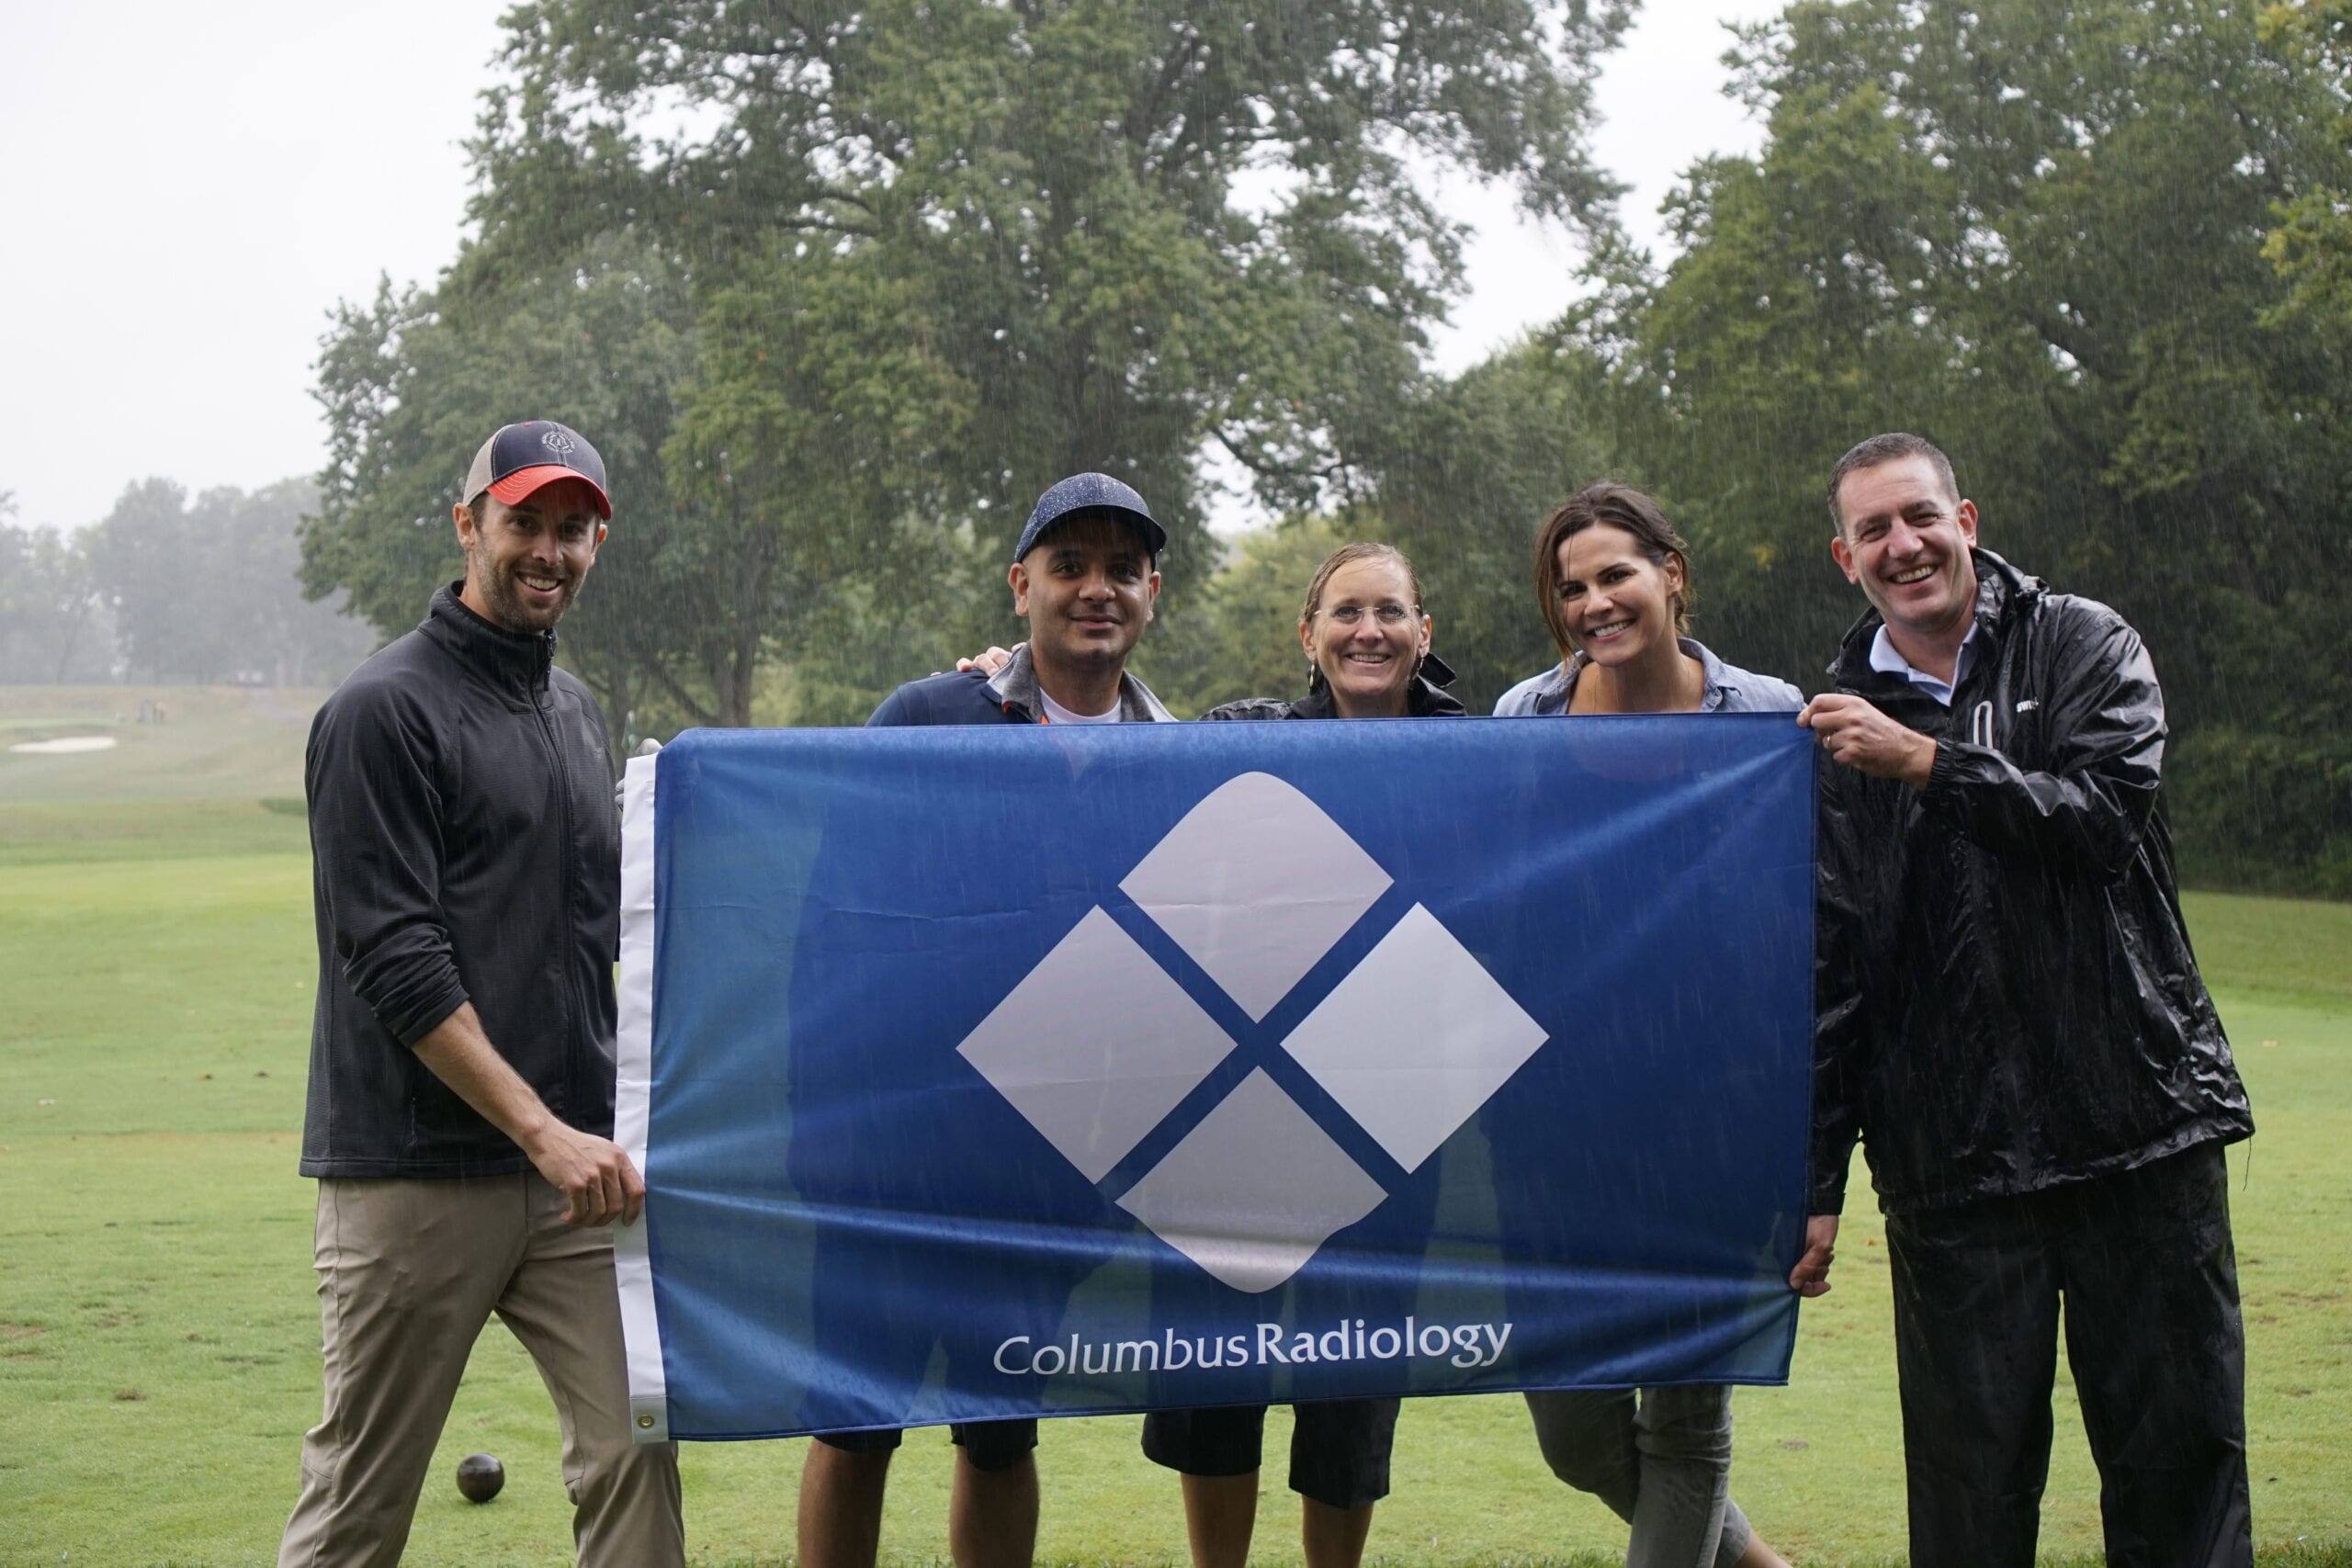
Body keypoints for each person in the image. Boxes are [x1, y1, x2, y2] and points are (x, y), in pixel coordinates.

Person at [1790, 433, 2255, 1567]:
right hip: (1953, 1170)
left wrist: (1929, 765)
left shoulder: (2084, 641)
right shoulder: (1832, 725)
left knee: (2177, 1481)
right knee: (1968, 1504)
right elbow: (1836, 973)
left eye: (1919, 517)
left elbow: (2100, 822)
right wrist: (1813, 1181)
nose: (1903, 546)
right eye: (1874, 531)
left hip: (2137, 1130)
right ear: (1842, 556)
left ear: (1968, 520)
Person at [281, 421, 683, 1568]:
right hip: (415, 1177)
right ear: (470, 525)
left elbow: (609, 924)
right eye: (525, 523)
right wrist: (544, 1132)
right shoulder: (381, 710)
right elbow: (396, 956)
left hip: (573, 1186)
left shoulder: (574, 711)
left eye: (574, 529)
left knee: (636, 1447)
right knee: (362, 1500)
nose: (549, 550)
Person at [795, 473, 1177, 1568]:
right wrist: (821, 1126)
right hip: (890, 1152)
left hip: (1043, 1165)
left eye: (1120, 570)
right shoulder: (928, 717)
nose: (1095, 590)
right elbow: (835, 923)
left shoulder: (1179, 755)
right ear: (1022, 586)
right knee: (852, 1424)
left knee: (1002, 1435)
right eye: (1069, 567)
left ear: (1152, 591)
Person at [1138, 541, 1461, 1568]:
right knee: (1214, 1374)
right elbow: (1102, 771)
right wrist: (991, 692)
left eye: (1390, 612)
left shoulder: (1481, 754)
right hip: (1236, 1100)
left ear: (1423, 631)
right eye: (1346, 613)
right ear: (1307, 635)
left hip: (1393, 1113)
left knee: (1356, 1377)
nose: (1369, 632)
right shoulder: (1239, 737)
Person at [1495, 483, 1794, 1568]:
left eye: (1614, 574)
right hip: (1557, 1127)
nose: (1593, 603)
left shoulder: (1766, 715)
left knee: (1684, 1422)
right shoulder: (1522, 719)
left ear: (1670, 571)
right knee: (1573, 1431)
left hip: (1713, 1121)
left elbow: (1808, 916)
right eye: (1568, 588)